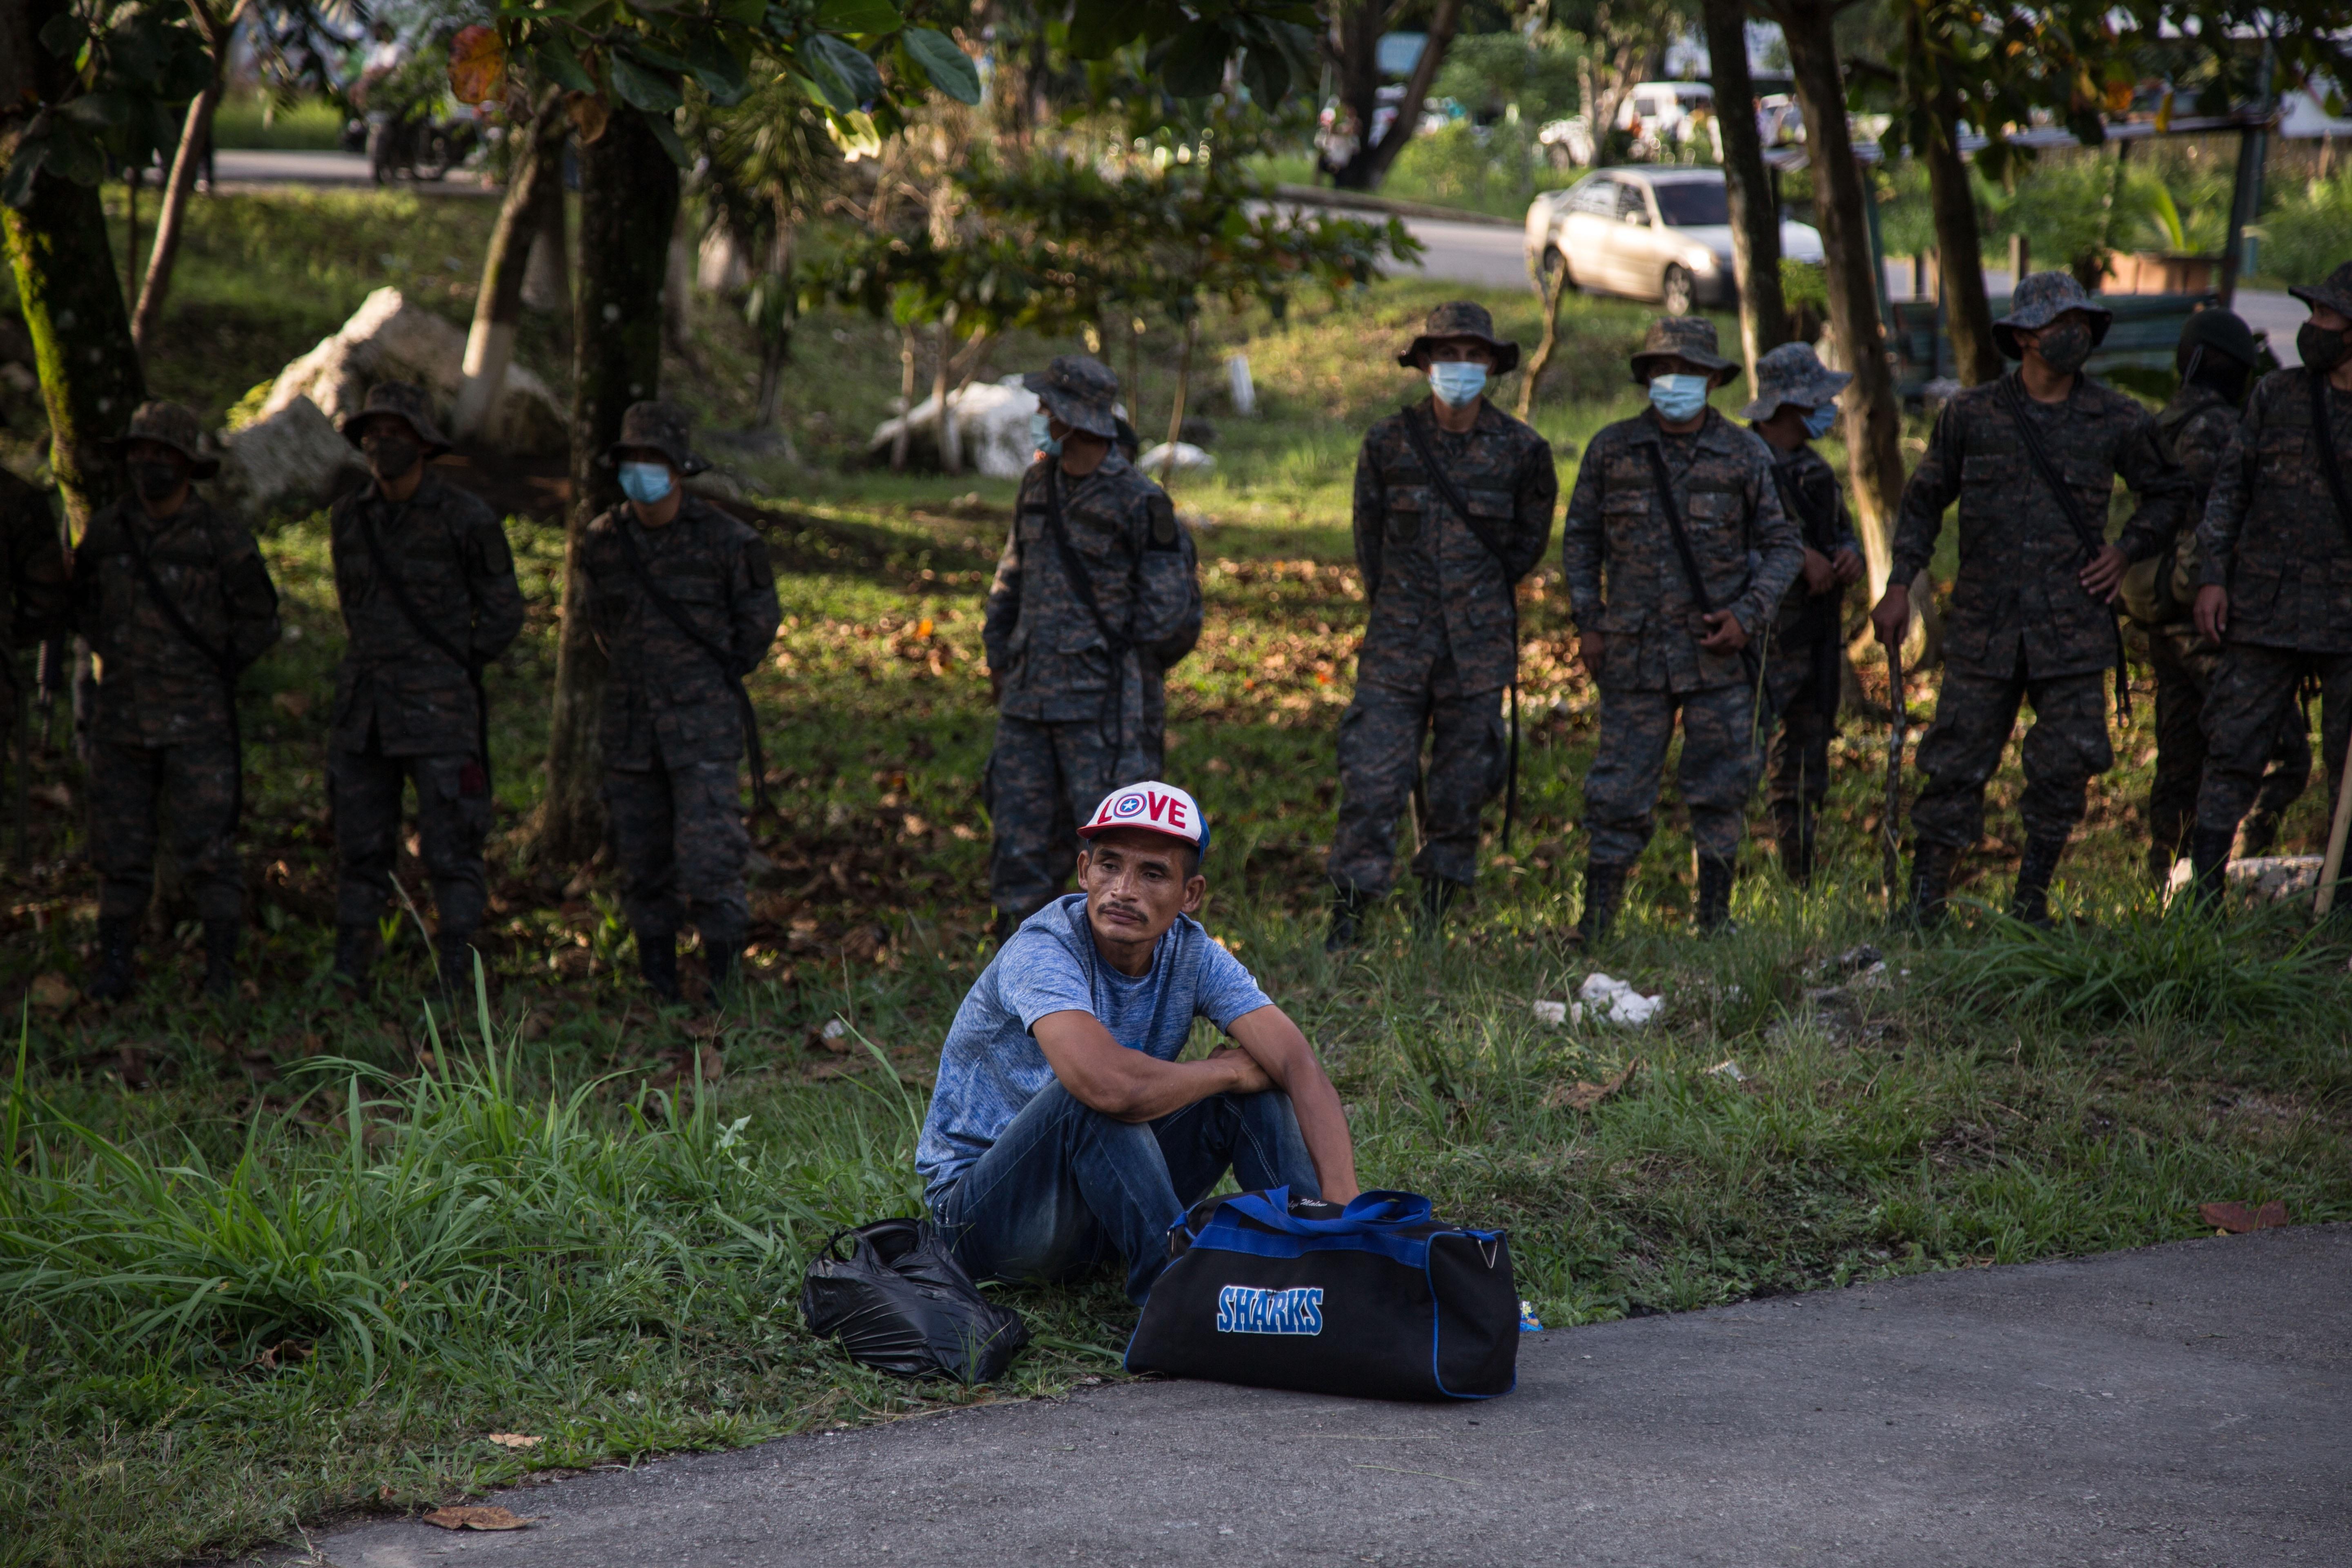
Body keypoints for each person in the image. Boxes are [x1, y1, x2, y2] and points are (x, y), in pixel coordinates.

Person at [917, 780, 1359, 1305]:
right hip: (985, 1221)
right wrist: (1229, 1071)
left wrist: (1347, 1206)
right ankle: (1176, 1300)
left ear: (1190, 895)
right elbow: (1109, 1089)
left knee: (1257, 1095)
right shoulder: (1043, 950)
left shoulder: (1193, 953)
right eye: (1109, 865)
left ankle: (1324, 1266)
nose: (1123, 890)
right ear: (1084, 872)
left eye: (1153, 874)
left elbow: (1295, 1061)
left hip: (1096, 1209)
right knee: (1091, 1098)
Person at [1872, 272, 2189, 925]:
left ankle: (2030, 906)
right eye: (2056, 324)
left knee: (2064, 767)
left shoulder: (2118, 417)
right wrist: (1900, 585)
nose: (2071, 335)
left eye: (2079, 323)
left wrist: (2125, 551)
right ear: (2022, 337)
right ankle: (1924, 910)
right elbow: (1925, 501)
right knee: (1955, 764)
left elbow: (2170, 493)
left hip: (2072, 629)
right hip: (1985, 629)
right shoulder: (1971, 415)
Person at [1560, 316, 1802, 941]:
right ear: (1646, 378)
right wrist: (1590, 621)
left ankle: (1715, 920)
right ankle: (1597, 923)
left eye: (1690, 372)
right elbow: (1581, 540)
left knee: (1722, 786)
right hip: (1632, 654)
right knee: (1617, 788)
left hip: (1717, 656)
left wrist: (1747, 618)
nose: (1676, 382)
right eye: (1664, 371)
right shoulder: (1612, 450)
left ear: (1714, 380)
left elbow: (1783, 547)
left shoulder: (1746, 454)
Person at [1324, 302, 1556, 949]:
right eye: (1446, 354)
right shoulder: (1387, 443)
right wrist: (1400, 603)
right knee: (1372, 780)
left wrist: (1476, 597)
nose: (1459, 367)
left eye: (1473, 355)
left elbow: (1526, 544)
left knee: (1461, 787)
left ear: (1492, 365)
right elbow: (1369, 540)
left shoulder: (1523, 451)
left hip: (1478, 648)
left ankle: (1436, 916)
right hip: (1396, 645)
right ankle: (1348, 918)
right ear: (1424, 363)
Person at [982, 356, 1201, 936]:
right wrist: (999, 654)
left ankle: (1102, 976)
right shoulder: (1036, 486)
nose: (1039, 416)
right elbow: (1012, 578)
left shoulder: (1139, 502)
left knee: (1111, 856)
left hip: (1102, 714)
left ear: (1073, 420)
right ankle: (1017, 967)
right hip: (1027, 703)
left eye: (1048, 407)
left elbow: (1169, 616)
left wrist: (1107, 663)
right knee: (1018, 841)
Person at [74, 402, 280, 1000]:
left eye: (162, 455)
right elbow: (84, 605)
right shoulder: (109, 532)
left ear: (186, 464)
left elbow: (260, 619)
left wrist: (212, 670)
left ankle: (220, 974)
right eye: (140, 453)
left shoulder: (220, 537)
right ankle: (115, 968)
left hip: (200, 723)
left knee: (210, 851)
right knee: (119, 850)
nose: (149, 465)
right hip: (122, 721)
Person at [326, 383, 523, 994]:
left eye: (397, 434)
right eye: (374, 434)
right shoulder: (348, 518)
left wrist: (450, 668)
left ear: (423, 444)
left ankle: (458, 972)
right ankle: (349, 968)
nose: (384, 445)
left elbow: (503, 612)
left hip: (440, 712)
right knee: (360, 845)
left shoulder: (466, 518)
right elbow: (351, 606)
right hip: (367, 713)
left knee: (452, 845)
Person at [580, 401, 781, 1003]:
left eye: (654, 460)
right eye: (632, 460)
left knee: (712, 860)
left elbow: (757, 627)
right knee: (643, 862)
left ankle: (723, 983)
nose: (641, 471)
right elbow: (601, 628)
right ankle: (658, 982)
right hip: (631, 730)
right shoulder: (604, 542)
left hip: (703, 731)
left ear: (678, 469)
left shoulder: (729, 542)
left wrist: (698, 681)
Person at [2187, 259, 2352, 905]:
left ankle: (2339, 906)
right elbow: (2229, 490)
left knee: (2346, 769)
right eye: (2310, 313)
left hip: (2345, 620)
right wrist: (2212, 578)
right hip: (2265, 607)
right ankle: (2201, 899)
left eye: (2326, 315)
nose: (2313, 327)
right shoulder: (2276, 396)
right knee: (2232, 748)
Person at [2124, 310, 2308, 882]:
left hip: (2164, 620)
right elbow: (2219, 524)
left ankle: (2167, 888)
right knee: (2277, 755)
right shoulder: (2219, 430)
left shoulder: (2161, 425)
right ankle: (2236, 877)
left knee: (2182, 763)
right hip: (2213, 623)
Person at [1741, 342, 1863, 887]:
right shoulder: (1737, 463)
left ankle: (1799, 884)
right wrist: (1796, 563)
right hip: (1758, 643)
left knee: (1805, 770)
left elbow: (1841, 531)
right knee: (1735, 768)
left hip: (1815, 640)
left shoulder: (1815, 471)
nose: (1828, 408)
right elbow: (1716, 553)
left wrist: (1848, 556)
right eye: (1819, 398)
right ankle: (1716, 892)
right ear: (1789, 405)